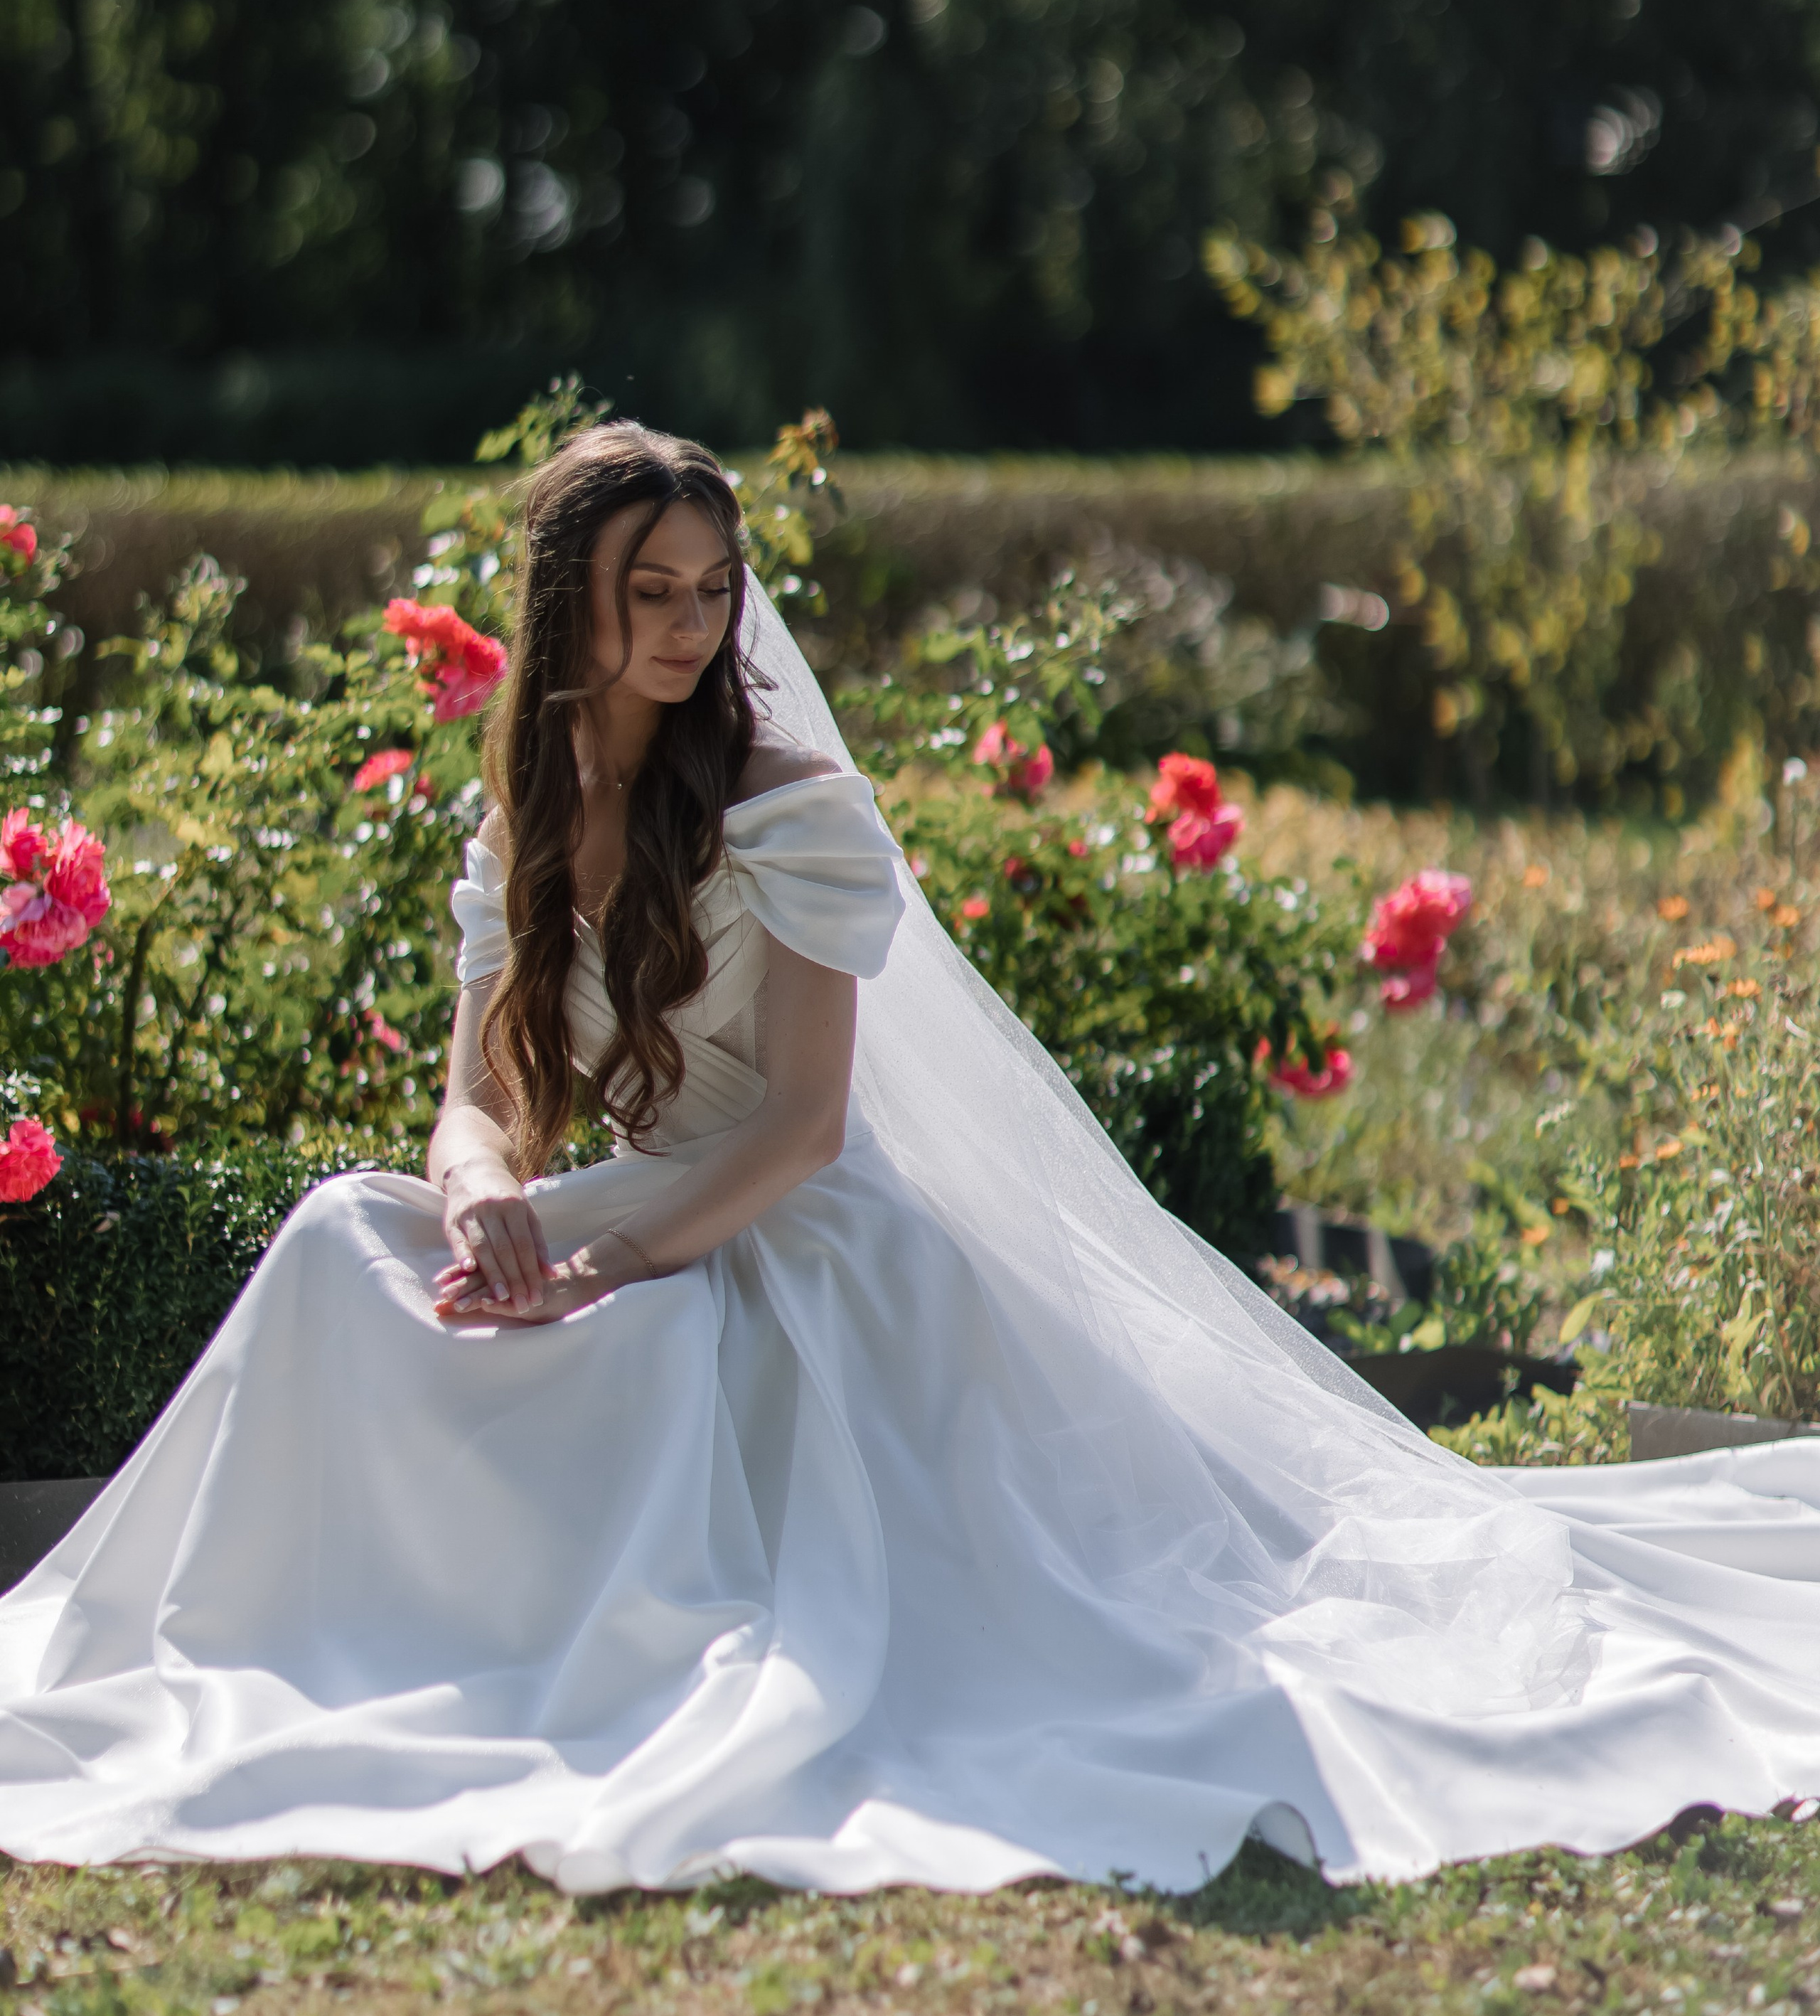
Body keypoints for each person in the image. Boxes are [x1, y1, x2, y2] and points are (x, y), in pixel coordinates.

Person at [5, 418, 1820, 1899]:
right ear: (569, 607)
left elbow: (797, 1129)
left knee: (639, 1336)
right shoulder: (529, 815)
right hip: (599, 1202)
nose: (690, 627)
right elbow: (484, 1095)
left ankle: (582, 1652)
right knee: (343, 1234)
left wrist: (596, 1255)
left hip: (789, 1227)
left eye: (713, 591)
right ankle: (321, 1645)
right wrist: (485, 1191)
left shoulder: (790, 815)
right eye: (649, 594)